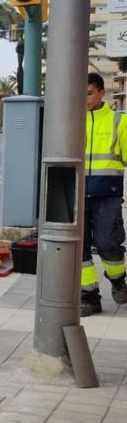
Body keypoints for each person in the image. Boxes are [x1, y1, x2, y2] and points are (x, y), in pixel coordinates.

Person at [80, 73, 127, 316]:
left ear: (101, 93)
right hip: (76, 194)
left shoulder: (119, 121)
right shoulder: (71, 120)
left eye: (88, 93)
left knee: (108, 244)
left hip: (107, 195)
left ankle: (118, 279)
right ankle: (88, 297)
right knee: (79, 250)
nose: (83, 98)